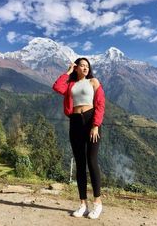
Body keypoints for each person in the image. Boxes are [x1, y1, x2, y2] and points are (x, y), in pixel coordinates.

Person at [52, 57, 105, 219]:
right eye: (81, 66)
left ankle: (97, 203)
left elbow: (101, 104)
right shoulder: (70, 84)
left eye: (87, 66)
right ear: (76, 68)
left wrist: (95, 125)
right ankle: (83, 204)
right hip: (75, 122)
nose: (85, 68)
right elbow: (57, 87)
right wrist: (67, 72)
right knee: (80, 164)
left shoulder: (93, 82)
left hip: (90, 121)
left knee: (92, 161)